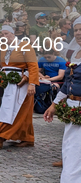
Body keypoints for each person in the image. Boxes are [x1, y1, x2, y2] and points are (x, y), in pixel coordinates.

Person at [0, 25, 38, 149]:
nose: (4, 36)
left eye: (6, 33)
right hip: (8, 82)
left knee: (14, 110)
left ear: (13, 34)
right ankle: (27, 138)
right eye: (2, 34)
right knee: (16, 110)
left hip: (20, 82)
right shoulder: (3, 46)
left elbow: (33, 65)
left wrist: (31, 83)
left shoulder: (25, 46)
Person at [44, 16, 81, 179]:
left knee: (75, 148)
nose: (79, 33)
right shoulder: (76, 54)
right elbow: (68, 83)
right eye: (76, 30)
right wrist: (54, 104)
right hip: (72, 105)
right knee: (69, 146)